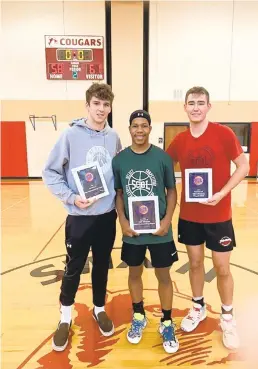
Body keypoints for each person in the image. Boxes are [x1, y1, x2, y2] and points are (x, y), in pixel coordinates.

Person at [166, 86, 249, 350]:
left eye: (201, 103)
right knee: (194, 263)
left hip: (218, 216)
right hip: (190, 216)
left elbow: (243, 165)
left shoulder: (223, 133)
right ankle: (197, 307)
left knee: (222, 268)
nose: (196, 107)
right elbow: (163, 166)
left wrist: (223, 193)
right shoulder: (179, 141)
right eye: (191, 103)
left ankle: (227, 317)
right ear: (185, 107)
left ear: (208, 107)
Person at [42, 83, 122, 351]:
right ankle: (65, 318)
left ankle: (99, 308)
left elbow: (118, 173)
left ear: (110, 107)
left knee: (101, 265)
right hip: (79, 216)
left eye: (106, 105)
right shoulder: (70, 136)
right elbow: (50, 173)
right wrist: (71, 197)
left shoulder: (114, 138)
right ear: (87, 105)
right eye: (96, 104)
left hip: (106, 216)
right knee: (73, 268)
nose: (101, 109)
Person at [112, 110, 179, 354]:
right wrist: (123, 222)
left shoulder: (162, 158)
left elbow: (172, 191)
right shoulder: (119, 160)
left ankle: (167, 321)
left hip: (160, 231)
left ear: (150, 128)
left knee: (164, 276)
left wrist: (167, 220)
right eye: (135, 126)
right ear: (129, 129)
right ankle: (139, 315)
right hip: (133, 232)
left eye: (144, 126)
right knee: (134, 274)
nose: (139, 130)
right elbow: (119, 194)